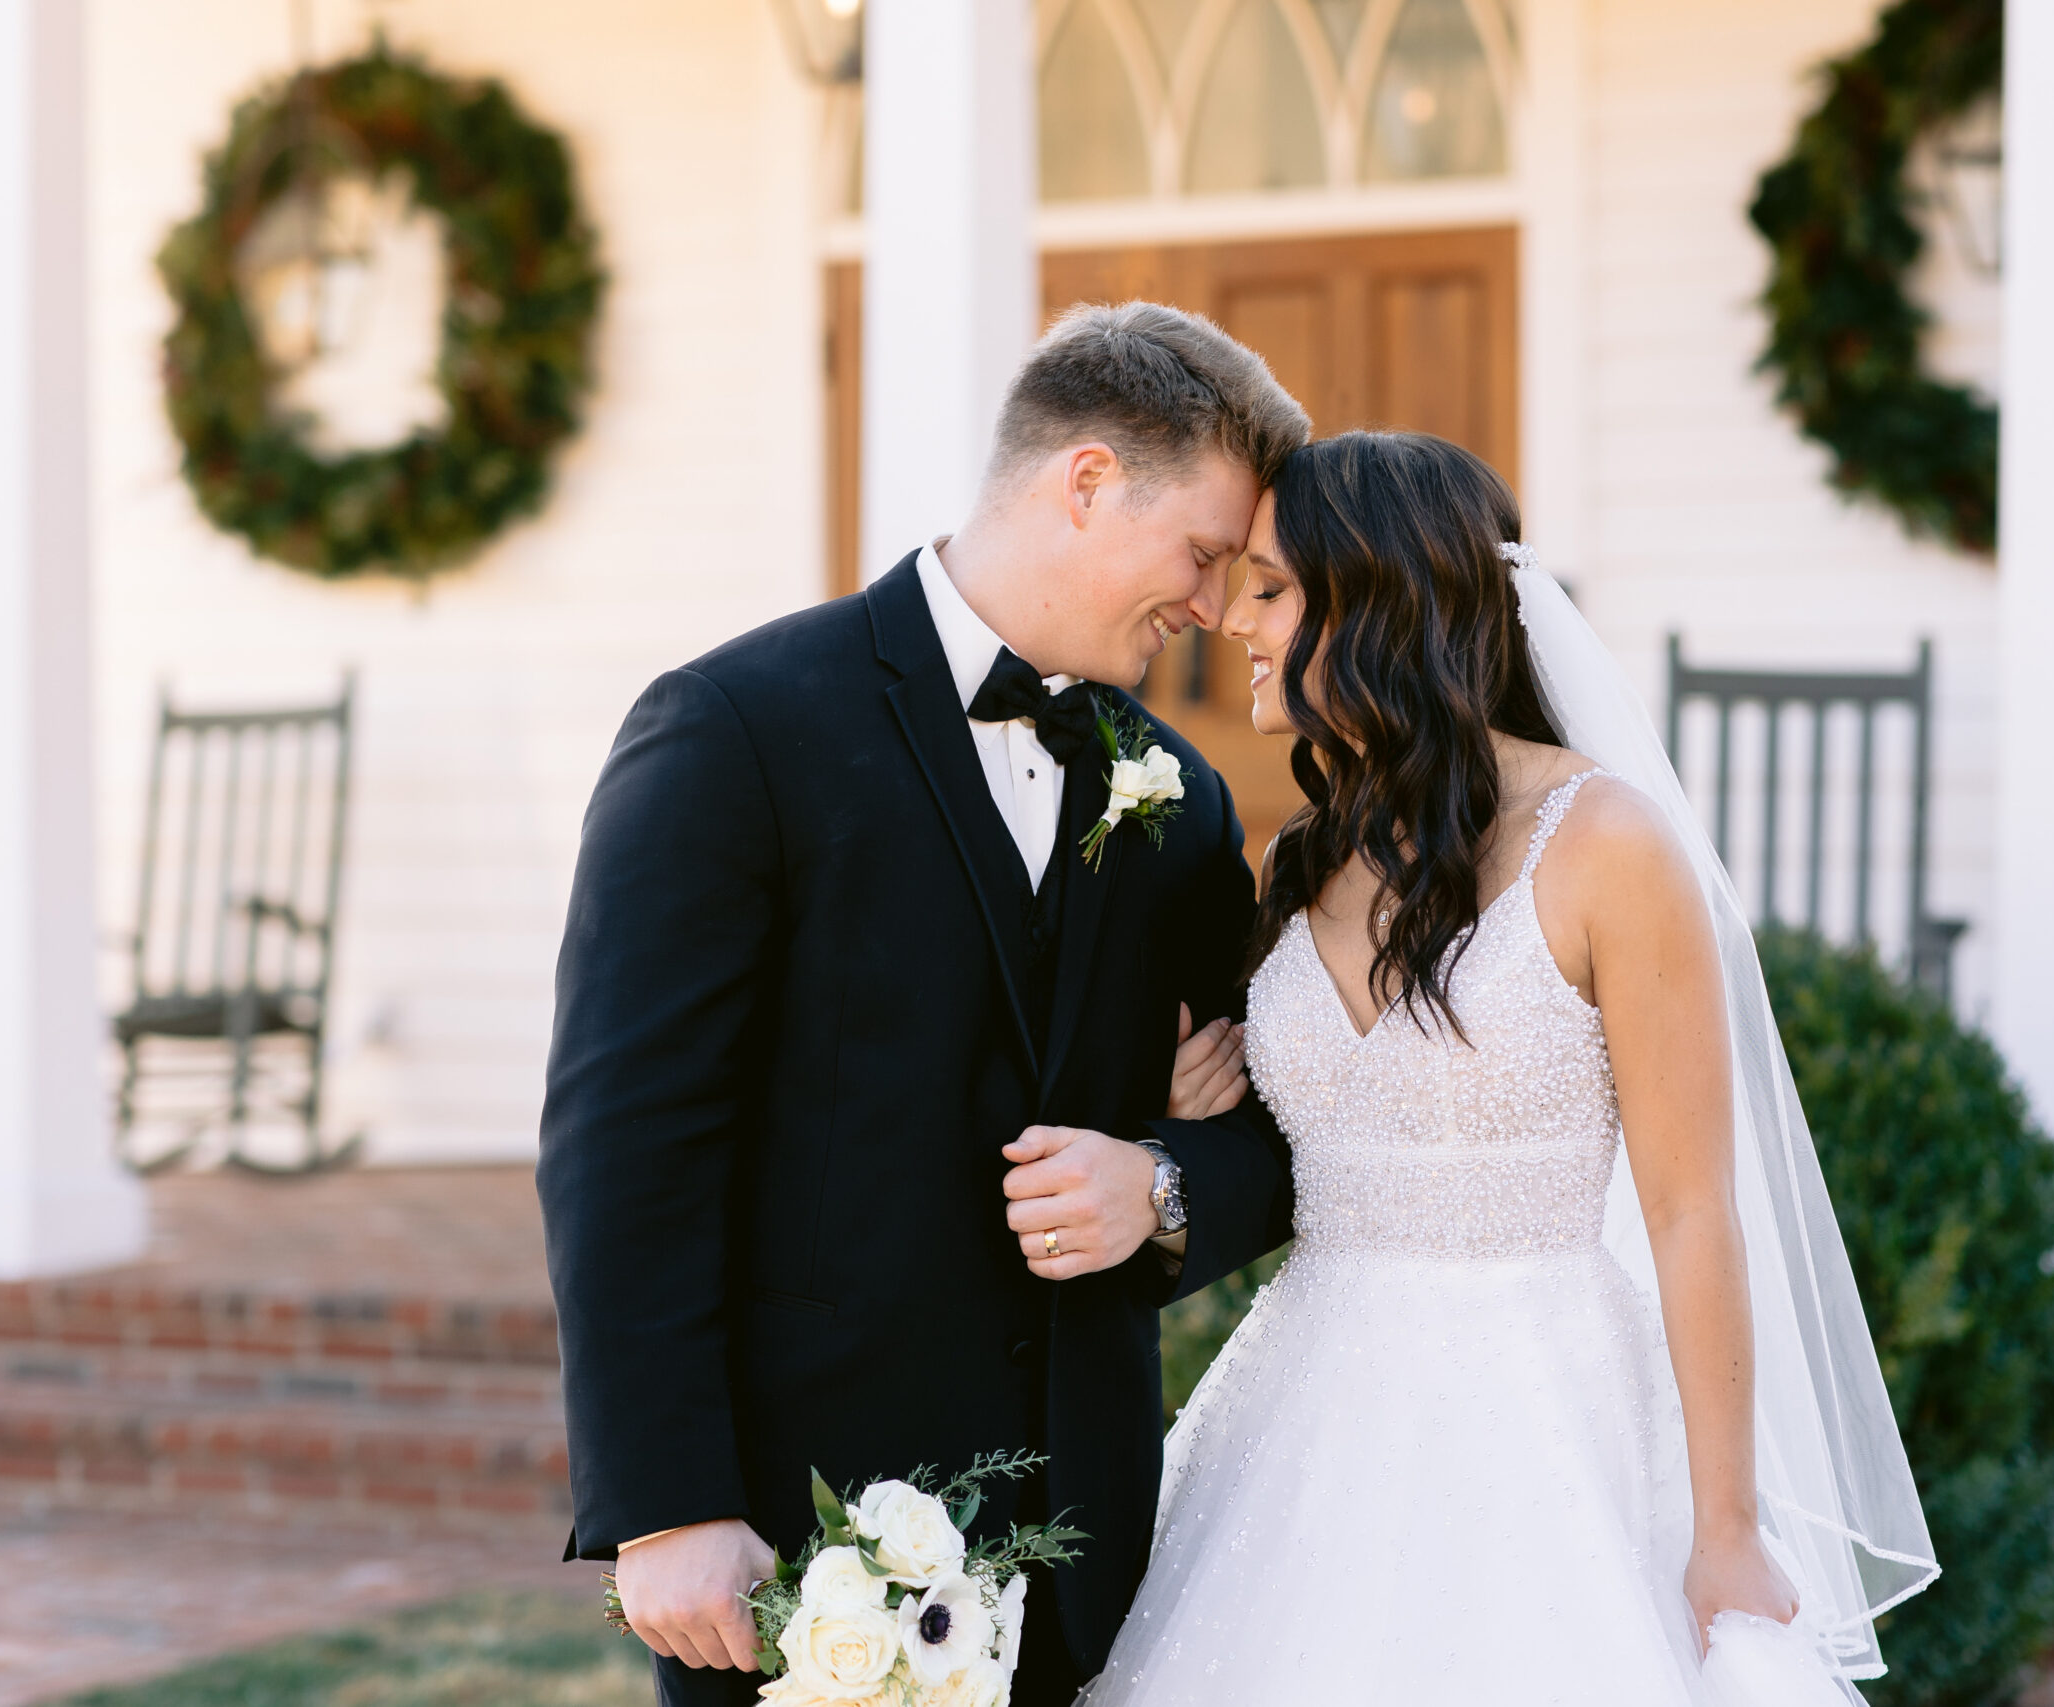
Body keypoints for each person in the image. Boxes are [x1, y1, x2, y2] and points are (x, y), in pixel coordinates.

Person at [1073, 433, 1938, 1705]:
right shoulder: (1302, 858)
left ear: (1377, 598)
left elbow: (1692, 1212)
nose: (1230, 621)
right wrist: (1200, 1096)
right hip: (1307, 1428)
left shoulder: (1603, 848)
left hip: (1541, 1423)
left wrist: (1725, 1526)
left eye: (1268, 590)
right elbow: (1315, 1130)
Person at [536, 301, 1309, 1707]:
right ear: (1086, 480)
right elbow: (626, 1141)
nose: (1209, 608)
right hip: (792, 1544)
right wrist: (664, 1502)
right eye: (1202, 555)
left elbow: (1290, 1123)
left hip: (1087, 1560)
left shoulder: (1184, 806)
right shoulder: (731, 731)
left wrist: (1165, 1183)